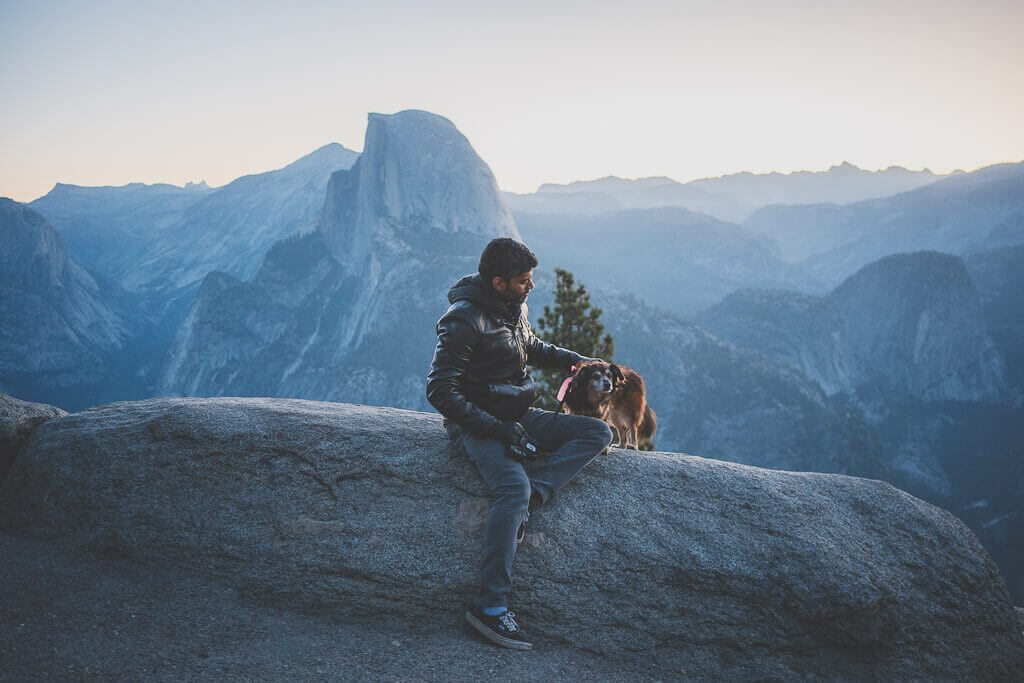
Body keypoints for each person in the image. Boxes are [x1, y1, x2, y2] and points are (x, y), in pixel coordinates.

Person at [426, 237, 614, 651]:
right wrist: (497, 429)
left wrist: (579, 360)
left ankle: (536, 492)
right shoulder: (462, 320)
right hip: (477, 425)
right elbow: (440, 391)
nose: (531, 287)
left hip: (517, 414)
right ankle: (489, 607)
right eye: (524, 281)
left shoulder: (514, 309)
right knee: (510, 489)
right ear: (498, 282)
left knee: (599, 433)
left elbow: (532, 348)